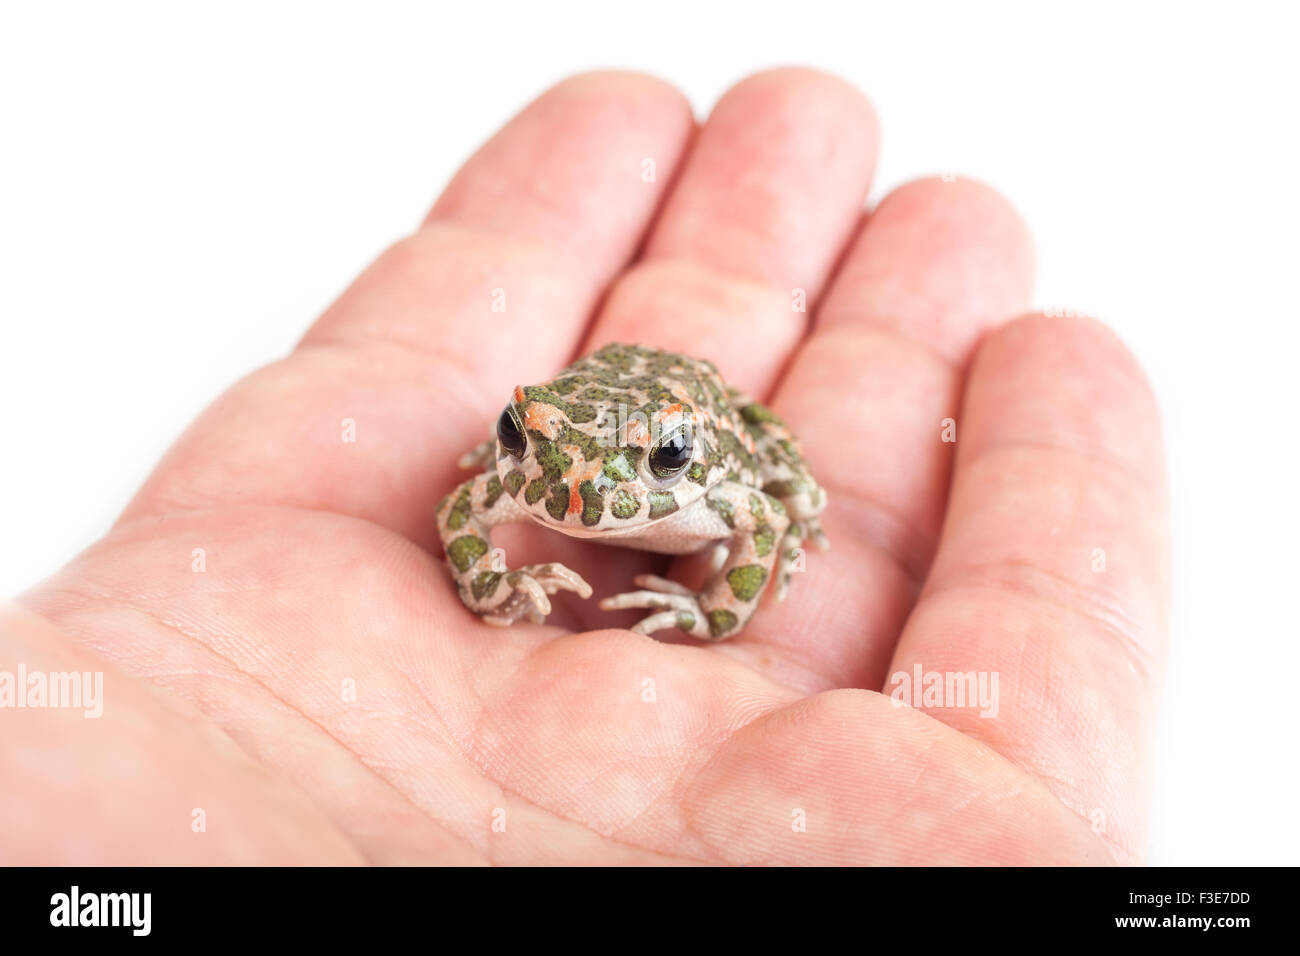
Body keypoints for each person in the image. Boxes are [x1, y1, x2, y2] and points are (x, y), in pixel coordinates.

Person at [1, 68, 1167, 865]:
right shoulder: (538, 462)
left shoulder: (707, 471)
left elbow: (764, 507)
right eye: (530, 450)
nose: (578, 500)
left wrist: (708, 606)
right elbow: (473, 503)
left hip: (693, 420)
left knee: (795, 483)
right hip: (600, 400)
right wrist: (494, 578)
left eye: (630, 470)